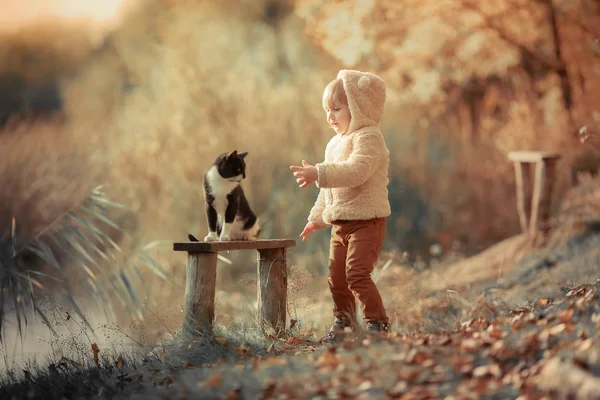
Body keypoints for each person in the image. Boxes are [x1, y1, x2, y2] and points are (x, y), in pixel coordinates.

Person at [290, 69, 392, 344]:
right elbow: (329, 191)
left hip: (367, 222)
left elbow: (355, 172)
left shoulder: (369, 138)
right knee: (336, 278)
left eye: (337, 108)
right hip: (340, 224)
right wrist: (317, 218)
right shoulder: (334, 144)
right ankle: (345, 322)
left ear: (358, 108)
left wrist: (319, 172)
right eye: (327, 110)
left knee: (356, 274)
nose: (330, 116)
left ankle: (377, 323)